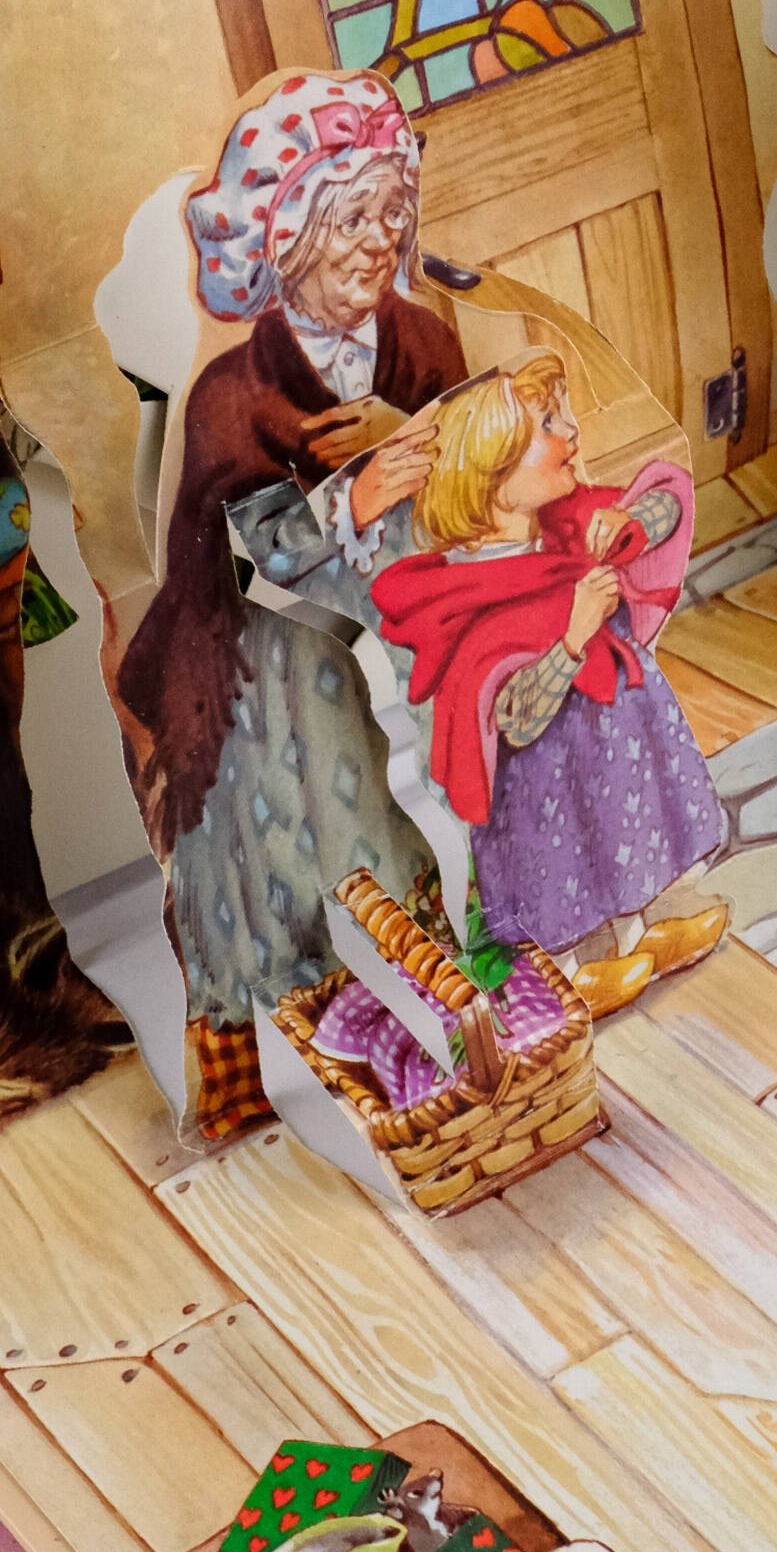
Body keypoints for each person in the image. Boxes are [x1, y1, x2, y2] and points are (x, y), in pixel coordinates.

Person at [113, 71, 467, 1130]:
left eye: (392, 212)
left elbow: (473, 478)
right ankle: (296, 1021)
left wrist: (429, 453)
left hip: (420, 590)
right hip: (260, 627)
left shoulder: (425, 343)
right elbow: (243, 562)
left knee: (495, 681)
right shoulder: (233, 394)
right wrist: (360, 492)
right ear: (289, 235)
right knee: (290, 759)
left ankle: (499, 964)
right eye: (351, 218)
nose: (378, 240)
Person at [369, 354, 728, 1015]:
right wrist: (572, 637)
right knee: (568, 867)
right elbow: (514, 716)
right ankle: (568, 971)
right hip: (545, 786)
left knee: (622, 832)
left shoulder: (565, 527)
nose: (571, 431)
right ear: (492, 469)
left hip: (613, 753)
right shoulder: (469, 594)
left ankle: (640, 935)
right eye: (547, 423)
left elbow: (668, 503)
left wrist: (630, 525)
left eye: (563, 415)